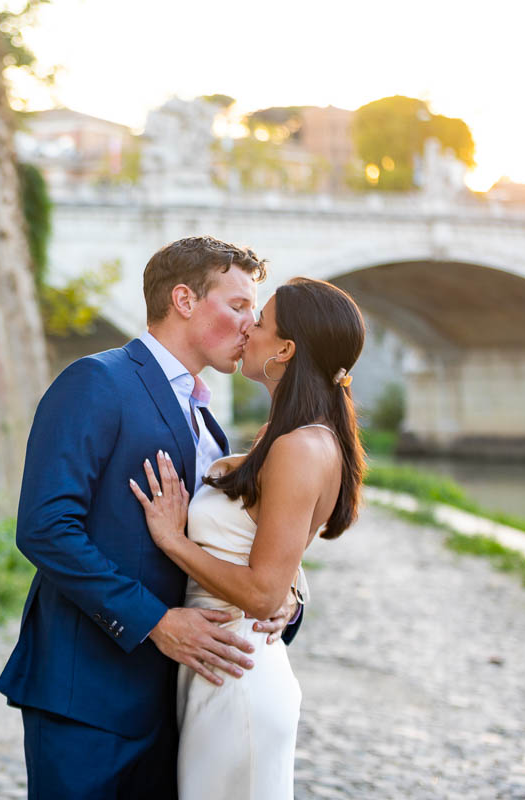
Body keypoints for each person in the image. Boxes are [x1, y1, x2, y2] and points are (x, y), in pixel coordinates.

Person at [0, 236, 301, 798]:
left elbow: (222, 546)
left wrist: (284, 602)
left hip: (178, 703)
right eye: (237, 306)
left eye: (254, 312)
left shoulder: (209, 422)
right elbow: (45, 526)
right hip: (87, 692)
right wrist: (156, 622)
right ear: (183, 300)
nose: (250, 325)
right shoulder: (96, 381)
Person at [129, 277, 366, 799]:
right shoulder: (285, 437)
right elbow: (271, 553)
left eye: (258, 320)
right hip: (220, 669)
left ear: (284, 349)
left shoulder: (301, 446)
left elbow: (262, 592)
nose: (246, 326)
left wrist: (173, 539)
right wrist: (293, 585)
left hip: (239, 678)